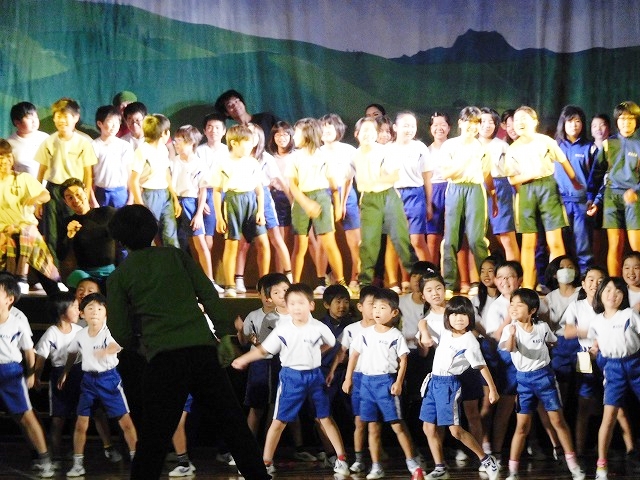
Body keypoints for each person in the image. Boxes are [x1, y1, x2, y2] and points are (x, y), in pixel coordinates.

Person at [106, 204, 268, 480]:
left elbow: (119, 329)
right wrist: (224, 335)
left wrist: (139, 345)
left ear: (119, 240)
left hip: (164, 359)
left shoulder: (120, 275)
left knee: (154, 437)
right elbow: (208, 294)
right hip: (202, 351)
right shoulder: (176, 256)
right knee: (233, 425)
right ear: (153, 229)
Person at [232, 283, 350, 477]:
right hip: (291, 378)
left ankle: (341, 458)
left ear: (311, 305)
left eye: (301, 303)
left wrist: (315, 353)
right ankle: (266, 462)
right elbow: (263, 350)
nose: (296, 307)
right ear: (287, 307)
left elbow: (331, 343)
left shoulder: (319, 327)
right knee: (279, 421)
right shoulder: (283, 329)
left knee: (325, 418)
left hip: (315, 377)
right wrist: (244, 359)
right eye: (292, 303)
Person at [499, 288, 585, 480]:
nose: (513, 308)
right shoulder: (510, 329)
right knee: (522, 426)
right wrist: (512, 334)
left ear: (532, 310)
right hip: (523, 381)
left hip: (544, 378)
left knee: (558, 421)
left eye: (519, 305)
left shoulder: (542, 327)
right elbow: (510, 348)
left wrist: (544, 349)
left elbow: (553, 342)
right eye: (512, 304)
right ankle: (513, 471)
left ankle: (573, 465)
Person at [342, 288, 424, 480]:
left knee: (396, 424)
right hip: (366, 383)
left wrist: (398, 382)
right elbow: (353, 355)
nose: (377, 311)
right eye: (375, 307)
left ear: (394, 312)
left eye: (382, 308)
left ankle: (412, 463)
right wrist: (348, 378)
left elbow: (403, 360)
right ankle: (376, 466)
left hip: (385, 383)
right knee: (372, 426)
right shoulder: (364, 334)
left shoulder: (395, 335)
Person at [418, 296, 500, 480]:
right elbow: (423, 322)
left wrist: (492, 389)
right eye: (454, 314)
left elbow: (481, 365)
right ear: (448, 317)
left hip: (449, 384)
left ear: (470, 317)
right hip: (433, 382)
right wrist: (424, 332)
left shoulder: (469, 340)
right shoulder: (445, 331)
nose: (459, 318)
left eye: (463, 314)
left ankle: (486, 459)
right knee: (428, 428)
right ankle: (440, 467)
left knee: (455, 431)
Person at [58, 292, 137, 477]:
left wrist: (105, 351)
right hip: (88, 381)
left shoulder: (108, 332)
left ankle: (137, 459)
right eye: (90, 308)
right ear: (82, 313)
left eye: (100, 308)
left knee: (125, 422)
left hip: (109, 380)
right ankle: (78, 463)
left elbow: (116, 345)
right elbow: (72, 353)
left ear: (106, 313)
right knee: (81, 424)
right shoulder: (80, 334)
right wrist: (66, 371)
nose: (95, 312)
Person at [505, 106, 581, 289]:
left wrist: (575, 182)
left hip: (548, 188)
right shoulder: (512, 149)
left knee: (555, 241)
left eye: (524, 118)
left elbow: (563, 161)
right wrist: (530, 175)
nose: (520, 123)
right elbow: (512, 179)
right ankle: (527, 287)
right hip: (526, 191)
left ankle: (561, 285)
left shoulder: (546, 141)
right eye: (516, 120)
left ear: (534, 121)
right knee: (528, 243)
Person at [0, 273, 55, 478]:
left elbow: (28, 349)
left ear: (9, 299)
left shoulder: (18, 320)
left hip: (10, 372)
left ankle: (44, 459)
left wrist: (32, 374)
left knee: (25, 415)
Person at [439, 106, 497, 297]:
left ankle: (485, 284)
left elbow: (486, 173)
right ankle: (449, 284)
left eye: (476, 123)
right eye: (469, 122)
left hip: (475, 189)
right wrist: (464, 162)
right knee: (451, 239)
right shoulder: (450, 145)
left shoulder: (482, 147)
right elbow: (446, 173)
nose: (472, 127)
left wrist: (493, 195)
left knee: (476, 239)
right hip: (455, 189)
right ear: (460, 123)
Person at [352, 117, 415, 286]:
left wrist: (378, 180)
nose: (368, 134)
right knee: (369, 242)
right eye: (364, 130)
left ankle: (417, 277)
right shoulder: (355, 155)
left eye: (371, 130)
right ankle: (365, 283)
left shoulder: (384, 151)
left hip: (388, 196)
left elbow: (394, 175)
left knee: (401, 239)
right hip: (369, 198)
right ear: (357, 134)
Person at [587, 277, 640, 479]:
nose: (613, 294)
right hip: (613, 368)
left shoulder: (629, 314)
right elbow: (596, 344)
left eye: (618, 291)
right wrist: (592, 353)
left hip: (635, 363)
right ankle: (601, 465)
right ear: (600, 293)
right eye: (608, 290)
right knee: (608, 417)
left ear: (623, 296)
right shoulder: (596, 321)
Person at [286, 118, 348, 289]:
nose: (294, 136)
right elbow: (293, 185)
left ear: (307, 134)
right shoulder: (294, 157)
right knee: (300, 245)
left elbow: (334, 186)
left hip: (321, 198)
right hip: (301, 199)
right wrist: (305, 203)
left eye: (297, 133)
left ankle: (341, 282)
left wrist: (337, 205)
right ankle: (295, 285)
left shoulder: (324, 156)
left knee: (329, 243)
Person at [35, 97, 98, 265]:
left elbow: (88, 173)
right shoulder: (49, 141)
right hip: (53, 190)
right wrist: (38, 200)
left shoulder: (83, 142)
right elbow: (41, 171)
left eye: (66, 116)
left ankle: (76, 268)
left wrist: (85, 196)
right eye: (58, 116)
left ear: (75, 118)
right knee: (51, 233)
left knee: (74, 229)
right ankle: (54, 272)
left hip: (75, 191)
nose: (61, 120)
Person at [212, 124, 269, 297]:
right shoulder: (223, 163)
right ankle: (230, 285)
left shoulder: (252, 162)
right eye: (247, 142)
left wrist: (260, 211)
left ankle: (265, 284)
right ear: (234, 143)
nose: (251, 146)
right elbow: (216, 191)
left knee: (263, 243)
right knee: (232, 244)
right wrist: (219, 217)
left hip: (251, 202)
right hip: (233, 201)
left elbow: (259, 190)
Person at [234, 124, 291, 292]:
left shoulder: (266, 158)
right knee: (243, 242)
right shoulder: (237, 158)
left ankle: (287, 276)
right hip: (243, 197)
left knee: (275, 238)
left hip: (263, 197)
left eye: (253, 134)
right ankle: (238, 280)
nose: (250, 137)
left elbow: (279, 179)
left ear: (259, 137)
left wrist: (292, 200)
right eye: (247, 134)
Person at [327, 285, 378, 474]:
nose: (374, 309)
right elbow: (341, 352)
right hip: (357, 377)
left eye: (378, 305)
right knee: (359, 420)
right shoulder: (351, 329)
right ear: (361, 306)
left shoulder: (384, 329)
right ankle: (358, 458)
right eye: (371, 304)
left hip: (378, 378)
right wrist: (333, 372)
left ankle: (378, 457)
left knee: (377, 422)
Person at [0, 139, 60, 294]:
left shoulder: (22, 178)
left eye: (8, 157)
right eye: (1, 158)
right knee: (18, 239)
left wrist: (36, 199)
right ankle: (51, 280)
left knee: (26, 234)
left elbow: (45, 195)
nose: (5, 162)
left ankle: (21, 277)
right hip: (3, 229)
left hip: (25, 227)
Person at [588, 101, 640, 276]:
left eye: (630, 119)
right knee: (615, 244)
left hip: (634, 198)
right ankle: (615, 283)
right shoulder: (608, 144)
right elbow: (596, 175)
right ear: (617, 121)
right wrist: (592, 199)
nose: (626, 123)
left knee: (636, 246)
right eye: (622, 119)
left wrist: (636, 191)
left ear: (636, 121)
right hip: (611, 197)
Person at [171, 124, 215, 284]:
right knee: (177, 243)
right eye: (175, 140)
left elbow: (203, 190)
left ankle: (209, 281)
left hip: (191, 203)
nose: (176, 144)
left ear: (191, 143)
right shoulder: (173, 161)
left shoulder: (199, 164)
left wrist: (198, 214)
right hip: (174, 201)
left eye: (180, 141)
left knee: (200, 243)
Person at [129, 113, 181, 247]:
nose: (168, 134)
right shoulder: (142, 151)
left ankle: (173, 258)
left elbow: (166, 173)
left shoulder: (163, 148)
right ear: (162, 133)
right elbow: (133, 181)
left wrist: (174, 198)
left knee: (170, 233)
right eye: (167, 131)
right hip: (150, 195)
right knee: (149, 234)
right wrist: (141, 206)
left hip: (165, 194)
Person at [555, 105, 594, 273]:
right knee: (561, 245)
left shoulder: (589, 147)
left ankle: (585, 277)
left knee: (583, 245)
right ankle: (563, 279)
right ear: (563, 124)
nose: (574, 125)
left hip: (581, 203)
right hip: (559, 203)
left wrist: (592, 199)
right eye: (570, 121)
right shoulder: (555, 146)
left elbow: (595, 177)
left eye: (577, 121)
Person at [59, 178, 118, 289]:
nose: (75, 200)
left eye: (78, 194)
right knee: (77, 278)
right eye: (70, 198)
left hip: (109, 272)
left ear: (85, 192)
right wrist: (69, 236)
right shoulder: (68, 223)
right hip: (84, 274)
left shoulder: (106, 213)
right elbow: (60, 255)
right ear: (66, 202)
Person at [479, 108, 519, 261]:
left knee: (506, 236)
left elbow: (513, 172)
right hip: (476, 187)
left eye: (491, 122)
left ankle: (514, 271)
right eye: (483, 121)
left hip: (501, 187)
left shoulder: (503, 146)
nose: (487, 125)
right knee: (477, 237)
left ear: (496, 125)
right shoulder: (471, 146)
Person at [91, 105, 134, 208]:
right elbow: (90, 177)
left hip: (121, 193)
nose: (114, 126)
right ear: (99, 123)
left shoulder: (125, 146)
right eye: (110, 122)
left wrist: (131, 199)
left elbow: (130, 175)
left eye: (117, 122)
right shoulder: (93, 145)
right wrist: (93, 200)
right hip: (100, 192)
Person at [426, 112, 450, 267]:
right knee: (433, 238)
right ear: (430, 128)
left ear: (449, 127)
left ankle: (451, 276)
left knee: (453, 238)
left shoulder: (455, 147)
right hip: (433, 192)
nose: (439, 128)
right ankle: (431, 273)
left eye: (443, 125)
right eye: (435, 125)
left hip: (452, 189)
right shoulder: (425, 151)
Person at [7, 101, 49, 177]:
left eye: (36, 117)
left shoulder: (46, 138)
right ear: (17, 122)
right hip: (21, 183)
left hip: (46, 184)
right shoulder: (9, 143)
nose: (34, 121)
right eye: (29, 118)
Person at [214, 89, 279, 138]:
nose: (235, 105)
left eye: (236, 101)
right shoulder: (235, 133)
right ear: (226, 113)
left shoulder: (266, 118)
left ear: (243, 103)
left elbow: (284, 131)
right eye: (230, 105)